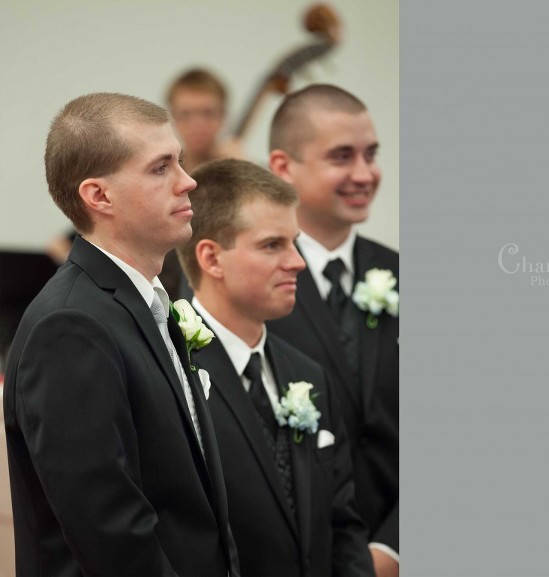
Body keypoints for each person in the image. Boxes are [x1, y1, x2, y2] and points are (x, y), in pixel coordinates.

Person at [3, 92, 239, 576]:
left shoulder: (144, 303)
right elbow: (109, 529)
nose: (188, 181)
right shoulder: (70, 325)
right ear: (99, 196)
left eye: (181, 162)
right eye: (161, 168)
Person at [176, 158, 375, 577]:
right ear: (211, 258)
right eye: (272, 245)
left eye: (295, 242)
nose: (298, 262)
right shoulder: (171, 369)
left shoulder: (307, 374)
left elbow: (341, 522)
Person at [266, 84, 399, 577]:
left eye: (371, 154)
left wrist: (391, 552)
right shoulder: (249, 289)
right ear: (284, 167)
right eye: (342, 156)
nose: (364, 174)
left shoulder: (404, 275)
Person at [166, 67, 245, 174]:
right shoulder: (165, 171)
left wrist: (244, 168)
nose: (197, 125)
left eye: (208, 113)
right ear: (173, 118)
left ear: (223, 116)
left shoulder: (238, 163)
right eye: (185, 114)